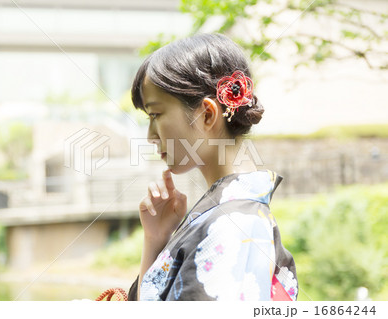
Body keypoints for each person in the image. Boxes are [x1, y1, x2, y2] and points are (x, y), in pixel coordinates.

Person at [127, 33, 298, 301]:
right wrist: (156, 238)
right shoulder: (233, 213)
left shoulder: (230, 225)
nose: (150, 135)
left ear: (207, 115)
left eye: (156, 115)